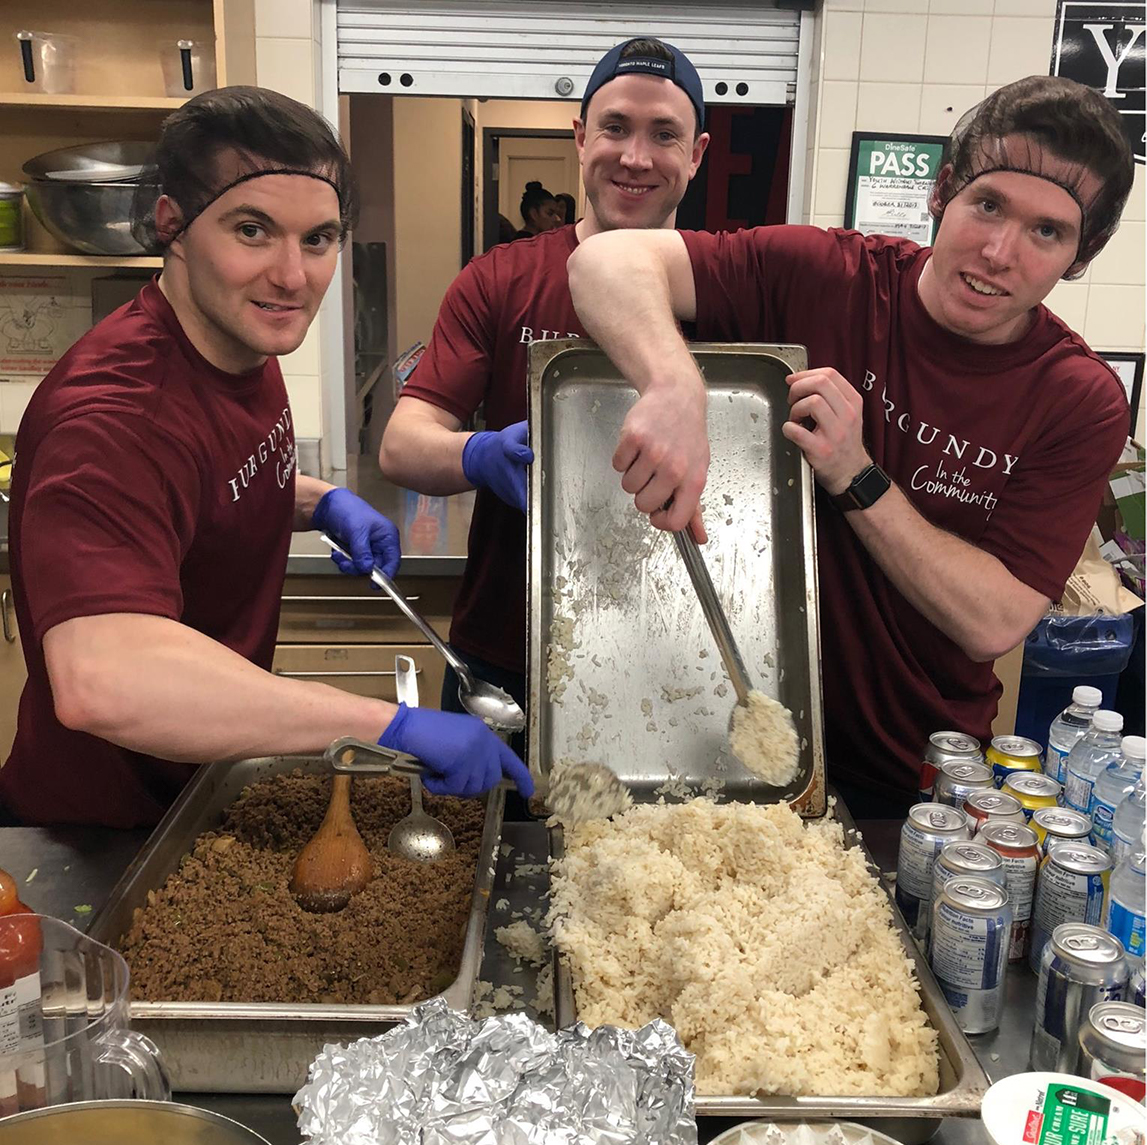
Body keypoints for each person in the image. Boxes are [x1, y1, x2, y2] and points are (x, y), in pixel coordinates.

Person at [565, 75, 1134, 816]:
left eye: (1045, 231)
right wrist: (672, 385)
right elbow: (605, 264)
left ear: (1080, 255)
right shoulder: (832, 277)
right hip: (720, 737)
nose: (998, 251)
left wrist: (855, 474)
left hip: (904, 774)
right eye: (986, 206)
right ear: (942, 194)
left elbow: (992, 618)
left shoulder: (1075, 398)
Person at [0, 86, 532, 828]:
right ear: (171, 225)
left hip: (193, 787)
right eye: (252, 230)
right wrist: (388, 725)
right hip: (96, 831)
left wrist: (315, 502)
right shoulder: (113, 414)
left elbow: (197, 485)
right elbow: (104, 679)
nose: (292, 275)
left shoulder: (238, 342)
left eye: (316, 238)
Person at [378, 38, 710, 750]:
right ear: (579, 136)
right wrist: (477, 455)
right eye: (615, 127)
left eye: (664, 135)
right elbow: (402, 445)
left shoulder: (735, 288)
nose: (635, 156)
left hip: (671, 656)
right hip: (505, 647)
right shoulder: (500, 279)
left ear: (697, 154)